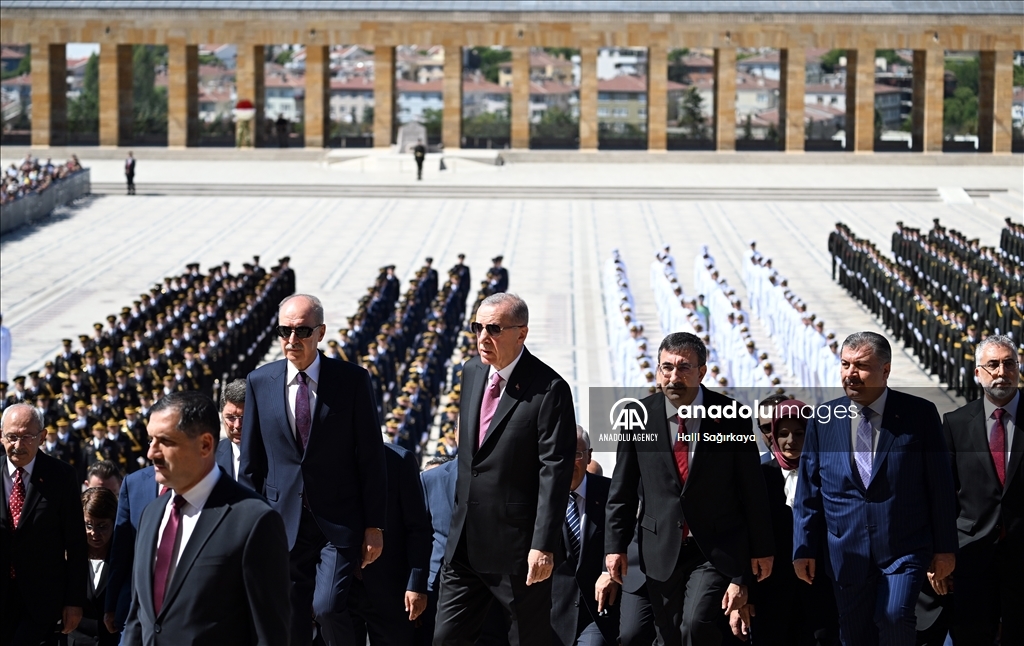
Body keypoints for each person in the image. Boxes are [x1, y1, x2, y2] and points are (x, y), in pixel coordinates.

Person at [605, 332, 774, 646]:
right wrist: (613, 548)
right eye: (666, 367)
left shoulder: (732, 417)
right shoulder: (637, 417)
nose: (673, 376)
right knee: (664, 634)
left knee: (695, 626)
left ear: (702, 372)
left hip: (712, 548)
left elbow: (751, 490)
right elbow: (622, 491)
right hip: (659, 547)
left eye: (683, 368)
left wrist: (761, 549)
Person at [793, 331, 957, 646]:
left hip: (903, 547)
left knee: (894, 616)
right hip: (846, 549)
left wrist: (945, 548)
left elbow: (940, 486)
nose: (850, 374)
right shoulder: (823, 419)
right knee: (855, 634)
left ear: (885, 370)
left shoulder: (918, 415)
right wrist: (803, 547)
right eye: (845, 365)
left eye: (861, 366)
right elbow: (808, 492)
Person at [241, 293, 387, 646]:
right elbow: (250, 464)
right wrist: (247, 527)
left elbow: (370, 456)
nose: (292, 341)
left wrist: (374, 525)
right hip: (281, 521)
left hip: (336, 523)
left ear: (320, 333)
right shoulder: (260, 382)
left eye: (302, 331)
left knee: (327, 607)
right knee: (288, 617)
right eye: (284, 331)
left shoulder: (351, 380)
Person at [433, 292, 577, 646]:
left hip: (516, 549)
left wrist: (542, 545)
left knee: (525, 639)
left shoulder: (549, 389)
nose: (483, 337)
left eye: (494, 329)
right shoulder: (471, 371)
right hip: (464, 542)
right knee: (446, 639)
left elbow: (554, 472)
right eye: (477, 327)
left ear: (521, 333)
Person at [122, 391, 291, 644]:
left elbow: (270, 635)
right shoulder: (151, 514)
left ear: (205, 445)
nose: (152, 454)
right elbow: (139, 618)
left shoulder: (254, 520)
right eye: (150, 441)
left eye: (166, 442)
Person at [732, 400, 839, 644]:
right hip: (769, 593)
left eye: (800, 433)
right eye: (781, 433)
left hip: (822, 589)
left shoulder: (830, 473)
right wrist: (746, 591)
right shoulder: (758, 477)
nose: (790, 441)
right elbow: (746, 534)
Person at [938, 334, 1022, 645]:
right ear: (977, 373)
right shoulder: (956, 423)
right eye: (993, 365)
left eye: (1009, 364)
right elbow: (945, 495)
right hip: (972, 556)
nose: (1002, 372)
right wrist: (941, 553)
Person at [1, 403, 87, 644]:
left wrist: (74, 602)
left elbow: (76, 543)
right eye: (11, 437)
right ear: (1, 436)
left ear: (42, 437)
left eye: (27, 437)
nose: (18, 445)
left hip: (41, 603)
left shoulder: (61, 476)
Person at [348, 442, 432, 645]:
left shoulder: (398, 460)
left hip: (391, 590)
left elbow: (417, 528)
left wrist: (416, 584)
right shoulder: (330, 458)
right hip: (343, 587)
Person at [551, 426, 617, 646]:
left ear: (589, 455)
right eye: (562, 454)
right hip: (551, 615)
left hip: (597, 611)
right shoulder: (540, 497)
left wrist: (609, 572)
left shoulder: (611, 493)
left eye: (577, 454)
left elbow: (627, 539)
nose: (569, 461)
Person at [103, 463, 158, 635]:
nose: (152, 451)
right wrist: (111, 605)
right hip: (133, 612)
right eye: (150, 441)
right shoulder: (134, 482)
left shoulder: (203, 483)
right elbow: (121, 551)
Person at [68, 486, 120, 646]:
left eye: (102, 526)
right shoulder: (69, 556)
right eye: (88, 526)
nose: (94, 533)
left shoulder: (123, 558)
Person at [215, 378, 246, 483]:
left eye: (244, 417)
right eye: (231, 418)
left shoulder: (274, 456)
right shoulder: (210, 458)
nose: (237, 425)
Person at [0, 313, 10, 383]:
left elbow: (8, 345)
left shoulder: (5, 331)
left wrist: (7, 357)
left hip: (2, 357)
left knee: (2, 374)